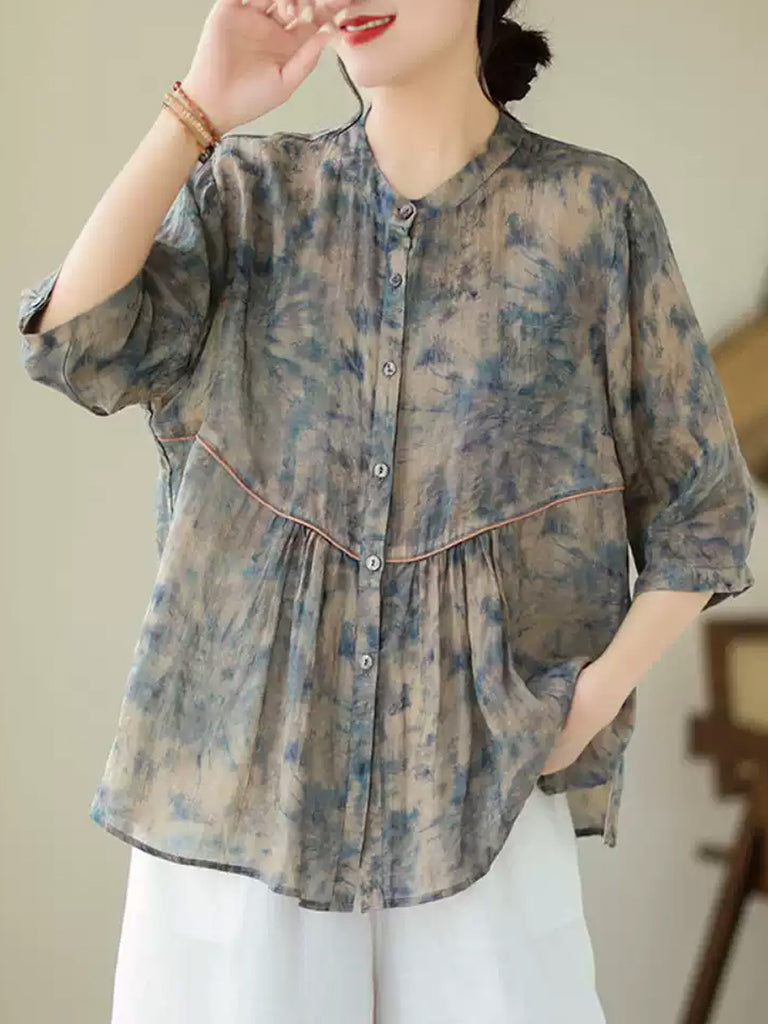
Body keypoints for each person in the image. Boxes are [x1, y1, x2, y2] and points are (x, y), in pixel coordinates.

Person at [16, 1, 758, 1022]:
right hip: (238, 796)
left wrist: (584, 705)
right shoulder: (252, 196)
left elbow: (703, 508)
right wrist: (200, 107)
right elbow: (77, 343)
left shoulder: (590, 214)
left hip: (477, 796)